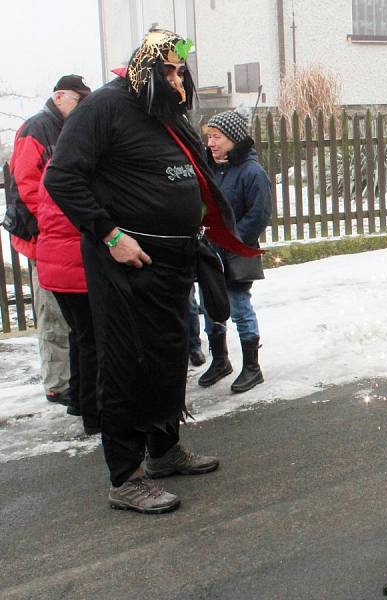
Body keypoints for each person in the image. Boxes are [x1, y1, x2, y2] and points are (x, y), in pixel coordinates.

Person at [44, 29, 260, 514]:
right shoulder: (103, 108)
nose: (177, 79)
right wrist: (110, 235)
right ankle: (126, 476)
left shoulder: (165, 113)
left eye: (180, 70)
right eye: (167, 70)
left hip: (172, 263)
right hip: (125, 264)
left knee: (168, 357)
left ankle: (163, 452)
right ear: (143, 68)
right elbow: (61, 176)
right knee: (127, 366)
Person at [4, 75, 91, 407]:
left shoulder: (65, 129)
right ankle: (57, 383)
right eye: (77, 99)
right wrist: (52, 231)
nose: (81, 105)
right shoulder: (37, 130)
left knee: (69, 317)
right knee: (53, 312)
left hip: (61, 237)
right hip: (47, 239)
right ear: (59, 97)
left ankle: (69, 380)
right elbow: (27, 187)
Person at [199, 109, 271, 393]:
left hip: (236, 253)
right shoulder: (208, 169)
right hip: (208, 253)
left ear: (233, 139)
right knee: (209, 307)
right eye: (209, 137)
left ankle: (252, 367)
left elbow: (259, 213)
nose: (211, 143)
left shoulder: (252, 173)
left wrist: (231, 240)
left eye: (217, 137)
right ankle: (220, 361)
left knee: (239, 307)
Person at [36, 172, 100, 435]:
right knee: (92, 341)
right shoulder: (77, 171)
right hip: (76, 265)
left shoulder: (55, 166)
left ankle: (77, 400)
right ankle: (94, 415)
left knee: (80, 336)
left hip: (54, 264)